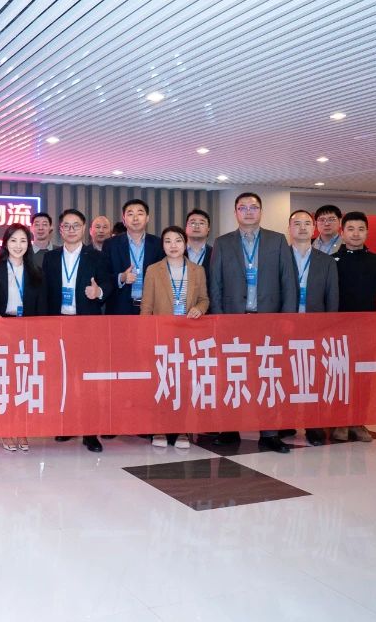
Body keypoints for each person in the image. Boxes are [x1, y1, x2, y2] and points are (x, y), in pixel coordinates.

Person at [208, 192, 298, 453]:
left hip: (267, 320)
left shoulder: (277, 240)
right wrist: (220, 319)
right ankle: (229, 428)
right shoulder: (223, 242)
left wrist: (287, 319)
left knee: (267, 376)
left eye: (253, 207)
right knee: (232, 375)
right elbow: (215, 284)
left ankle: (269, 433)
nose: (248, 212)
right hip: (234, 320)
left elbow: (288, 281)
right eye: (243, 207)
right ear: (236, 212)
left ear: (261, 211)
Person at [41, 209, 109, 453]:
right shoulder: (50, 258)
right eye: (66, 226)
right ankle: (67, 425)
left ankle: (90, 433)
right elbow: (44, 291)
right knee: (63, 378)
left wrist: (99, 292)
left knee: (87, 380)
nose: (71, 230)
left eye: (76, 225)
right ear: (60, 230)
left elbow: (109, 284)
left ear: (83, 228)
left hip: (86, 325)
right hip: (58, 324)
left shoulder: (97, 256)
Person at [140, 225, 209, 449]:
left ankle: (181, 430)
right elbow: (146, 306)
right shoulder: (153, 270)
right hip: (161, 336)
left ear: (185, 244)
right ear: (162, 246)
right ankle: (159, 428)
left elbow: (204, 299)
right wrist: (146, 335)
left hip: (188, 336)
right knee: (162, 382)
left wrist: (199, 308)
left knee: (184, 384)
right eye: (168, 241)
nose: (173, 245)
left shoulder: (197, 270)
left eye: (178, 240)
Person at [0, 223, 44, 451]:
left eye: (23, 241)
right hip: (2, 330)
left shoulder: (37, 273)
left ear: (29, 244)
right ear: (6, 243)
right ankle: (5, 429)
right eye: (13, 240)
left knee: (24, 383)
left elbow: (42, 308)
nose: (18, 245)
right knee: (5, 382)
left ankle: (22, 428)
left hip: (27, 332)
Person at [285, 210, 340, 446]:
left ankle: (314, 425)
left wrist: (328, 326)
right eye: (297, 223)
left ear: (314, 228)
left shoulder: (326, 261)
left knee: (314, 376)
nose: (302, 227)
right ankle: (285, 422)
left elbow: (332, 297)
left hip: (315, 326)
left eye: (307, 223)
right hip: (286, 325)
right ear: (289, 228)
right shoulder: (279, 257)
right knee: (286, 375)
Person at [329, 211, 376, 444]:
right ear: (342, 233)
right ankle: (340, 421)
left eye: (361, 229)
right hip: (338, 328)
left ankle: (358, 421)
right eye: (350, 229)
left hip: (367, 328)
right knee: (340, 375)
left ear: (367, 232)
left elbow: (374, 292)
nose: (356, 234)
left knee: (363, 377)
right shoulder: (331, 261)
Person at [104, 199, 164, 316]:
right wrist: (121, 277)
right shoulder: (110, 244)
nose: (135, 218)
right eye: (130, 214)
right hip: (119, 308)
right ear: (124, 219)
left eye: (140, 214)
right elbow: (104, 276)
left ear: (147, 218)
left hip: (151, 308)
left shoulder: (158, 244)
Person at [184, 208, 214, 276]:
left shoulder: (215, 254)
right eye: (193, 223)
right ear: (186, 227)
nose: (197, 226)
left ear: (208, 229)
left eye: (201, 223)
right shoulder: (175, 252)